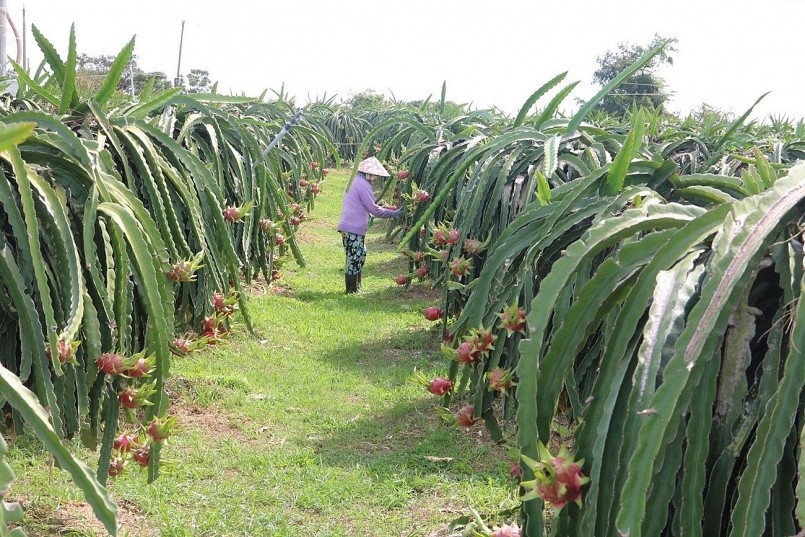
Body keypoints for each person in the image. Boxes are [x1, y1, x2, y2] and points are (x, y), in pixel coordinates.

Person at [337, 156, 403, 293]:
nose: (374, 178)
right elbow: (373, 209)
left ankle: (356, 287)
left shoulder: (354, 181)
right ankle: (351, 290)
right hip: (354, 226)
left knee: (359, 254)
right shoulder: (362, 184)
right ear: (365, 172)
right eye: (373, 175)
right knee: (354, 257)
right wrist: (394, 213)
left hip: (348, 225)